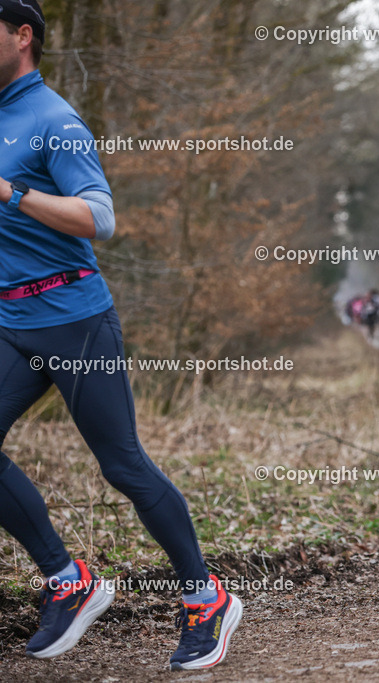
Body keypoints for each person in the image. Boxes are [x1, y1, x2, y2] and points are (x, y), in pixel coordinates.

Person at [0, 2, 240, 669]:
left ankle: (206, 596)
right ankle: (68, 580)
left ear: (23, 36)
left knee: (122, 464)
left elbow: (99, 218)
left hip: (75, 320)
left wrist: (12, 193)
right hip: (12, 322)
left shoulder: (54, 119)